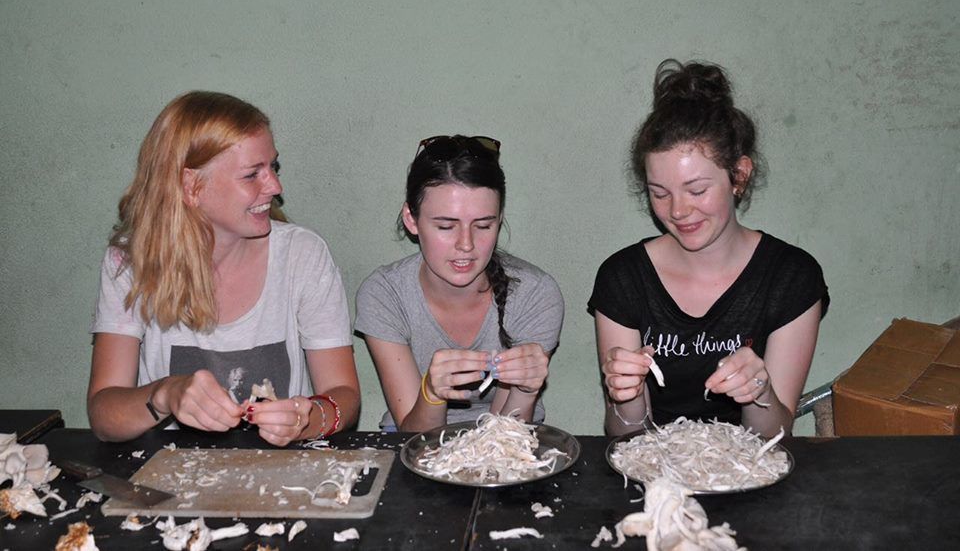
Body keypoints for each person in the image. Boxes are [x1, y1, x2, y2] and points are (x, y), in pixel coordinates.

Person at [87, 91, 360, 445]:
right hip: (173, 476)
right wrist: (166, 394)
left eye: (273, 167)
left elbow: (344, 395)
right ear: (191, 186)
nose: (275, 187)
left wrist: (308, 418)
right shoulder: (130, 264)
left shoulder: (301, 254)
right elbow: (104, 416)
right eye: (252, 175)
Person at [590, 60, 829, 438]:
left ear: (740, 175)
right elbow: (625, 438)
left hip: (751, 474)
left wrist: (759, 392)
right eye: (659, 193)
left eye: (697, 190)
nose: (679, 211)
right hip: (656, 479)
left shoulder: (791, 276)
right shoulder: (623, 278)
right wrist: (626, 395)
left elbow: (773, 437)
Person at [355, 135, 564, 432]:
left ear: (500, 220)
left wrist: (526, 389)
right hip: (414, 439)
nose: (466, 244)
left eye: (483, 225)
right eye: (445, 226)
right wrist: (432, 394)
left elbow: (505, 438)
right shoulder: (385, 293)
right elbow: (413, 437)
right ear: (411, 220)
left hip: (507, 437)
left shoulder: (534, 293)